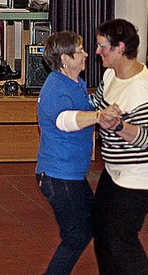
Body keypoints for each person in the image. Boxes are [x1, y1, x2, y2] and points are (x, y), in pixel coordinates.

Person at [36, 31, 104, 274]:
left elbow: (85, 107)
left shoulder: (74, 83)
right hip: (59, 176)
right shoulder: (55, 87)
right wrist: (99, 117)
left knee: (91, 225)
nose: (86, 54)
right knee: (77, 235)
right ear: (65, 59)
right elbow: (64, 120)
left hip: (70, 175)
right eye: (80, 51)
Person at [90, 19, 148, 273]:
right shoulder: (110, 75)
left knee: (120, 242)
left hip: (136, 179)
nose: (97, 51)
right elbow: (94, 104)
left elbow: (146, 139)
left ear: (120, 48)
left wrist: (117, 126)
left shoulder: (143, 89)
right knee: (103, 235)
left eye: (102, 46)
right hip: (113, 172)